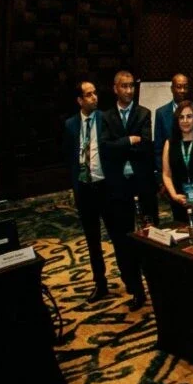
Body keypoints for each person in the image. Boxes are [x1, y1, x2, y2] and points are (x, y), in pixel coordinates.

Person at [64, 81, 118, 302]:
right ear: (80, 100)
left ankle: (130, 279)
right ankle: (100, 283)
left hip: (104, 186)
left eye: (95, 93)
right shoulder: (70, 125)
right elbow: (70, 159)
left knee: (116, 234)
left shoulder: (106, 118)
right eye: (89, 95)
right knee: (92, 239)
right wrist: (74, 187)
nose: (94, 97)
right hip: (85, 188)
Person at [103, 69, 157, 228]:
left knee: (149, 229)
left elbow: (146, 146)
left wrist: (118, 145)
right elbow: (105, 148)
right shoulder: (106, 116)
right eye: (124, 86)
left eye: (131, 86)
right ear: (115, 89)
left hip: (142, 179)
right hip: (118, 181)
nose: (129, 90)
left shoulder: (144, 113)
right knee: (122, 228)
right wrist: (130, 140)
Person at [161, 100, 193, 226]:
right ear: (177, 120)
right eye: (181, 117)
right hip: (179, 201)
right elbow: (166, 174)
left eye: (189, 116)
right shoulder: (170, 143)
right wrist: (174, 195)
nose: (185, 121)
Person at [153, 74, 193, 181]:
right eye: (179, 87)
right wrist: (161, 178)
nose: (182, 90)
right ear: (172, 88)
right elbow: (158, 149)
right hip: (170, 174)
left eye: (185, 87)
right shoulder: (161, 113)